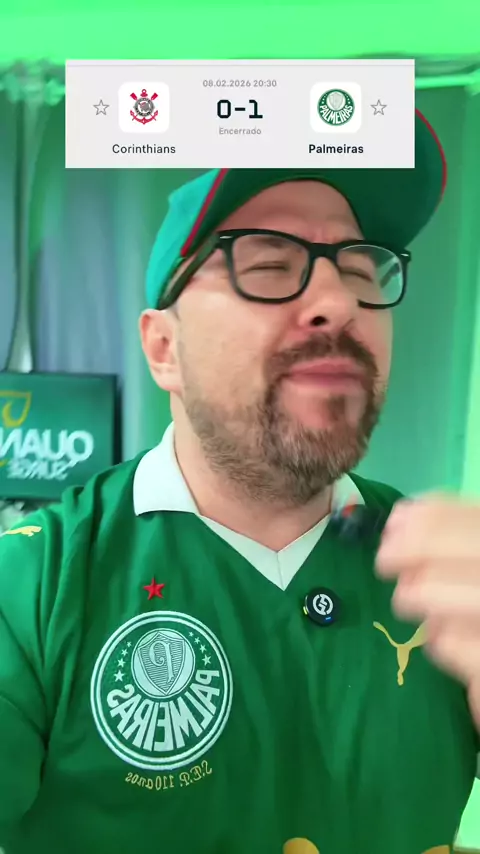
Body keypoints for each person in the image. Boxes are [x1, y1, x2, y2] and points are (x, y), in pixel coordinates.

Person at [1, 109, 480, 854]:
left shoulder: (453, 582)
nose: (340, 303)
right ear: (164, 349)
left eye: (361, 268)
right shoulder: (32, 585)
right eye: (268, 264)